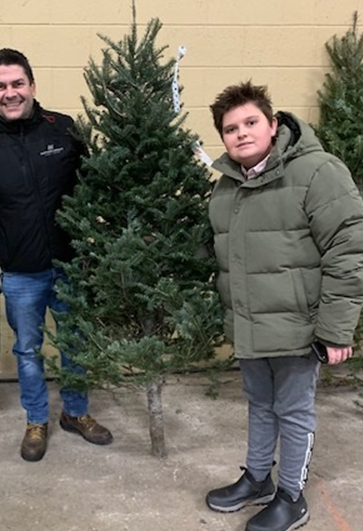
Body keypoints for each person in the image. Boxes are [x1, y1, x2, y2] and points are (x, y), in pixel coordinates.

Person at [205, 81, 363, 531]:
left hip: (299, 327)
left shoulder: (317, 172)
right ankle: (257, 478)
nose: (241, 133)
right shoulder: (227, 187)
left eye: (251, 122)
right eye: (230, 128)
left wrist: (336, 329)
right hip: (251, 326)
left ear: (273, 125)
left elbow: (350, 250)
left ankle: (291, 497)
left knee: (293, 412)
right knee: (259, 403)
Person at [0, 48, 113, 463]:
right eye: (0, 86)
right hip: (20, 274)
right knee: (27, 351)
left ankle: (75, 412)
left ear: (32, 85)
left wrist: (98, 250)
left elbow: (93, 190)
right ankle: (36, 420)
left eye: (17, 83)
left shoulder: (64, 130)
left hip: (71, 265)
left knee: (77, 343)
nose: (10, 93)